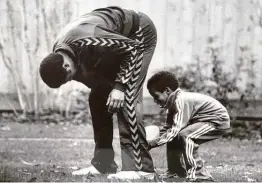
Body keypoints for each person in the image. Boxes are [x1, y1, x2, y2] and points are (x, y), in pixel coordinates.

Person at [39, 6, 157, 180]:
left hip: (138, 33)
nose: (72, 79)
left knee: (126, 96)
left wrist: (119, 86)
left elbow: (134, 49)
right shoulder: (61, 52)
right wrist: (107, 91)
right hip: (114, 45)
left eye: (69, 76)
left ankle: (141, 168)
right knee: (97, 98)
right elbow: (95, 81)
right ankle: (103, 164)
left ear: (65, 65)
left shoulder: (90, 39)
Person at [146, 71, 231, 182]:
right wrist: (148, 140)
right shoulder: (172, 104)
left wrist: (151, 143)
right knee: (174, 136)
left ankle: (200, 176)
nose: (155, 101)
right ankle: (176, 171)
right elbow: (169, 129)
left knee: (186, 136)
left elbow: (175, 131)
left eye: (156, 96)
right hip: (205, 120)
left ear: (167, 91)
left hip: (217, 121)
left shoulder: (180, 100)